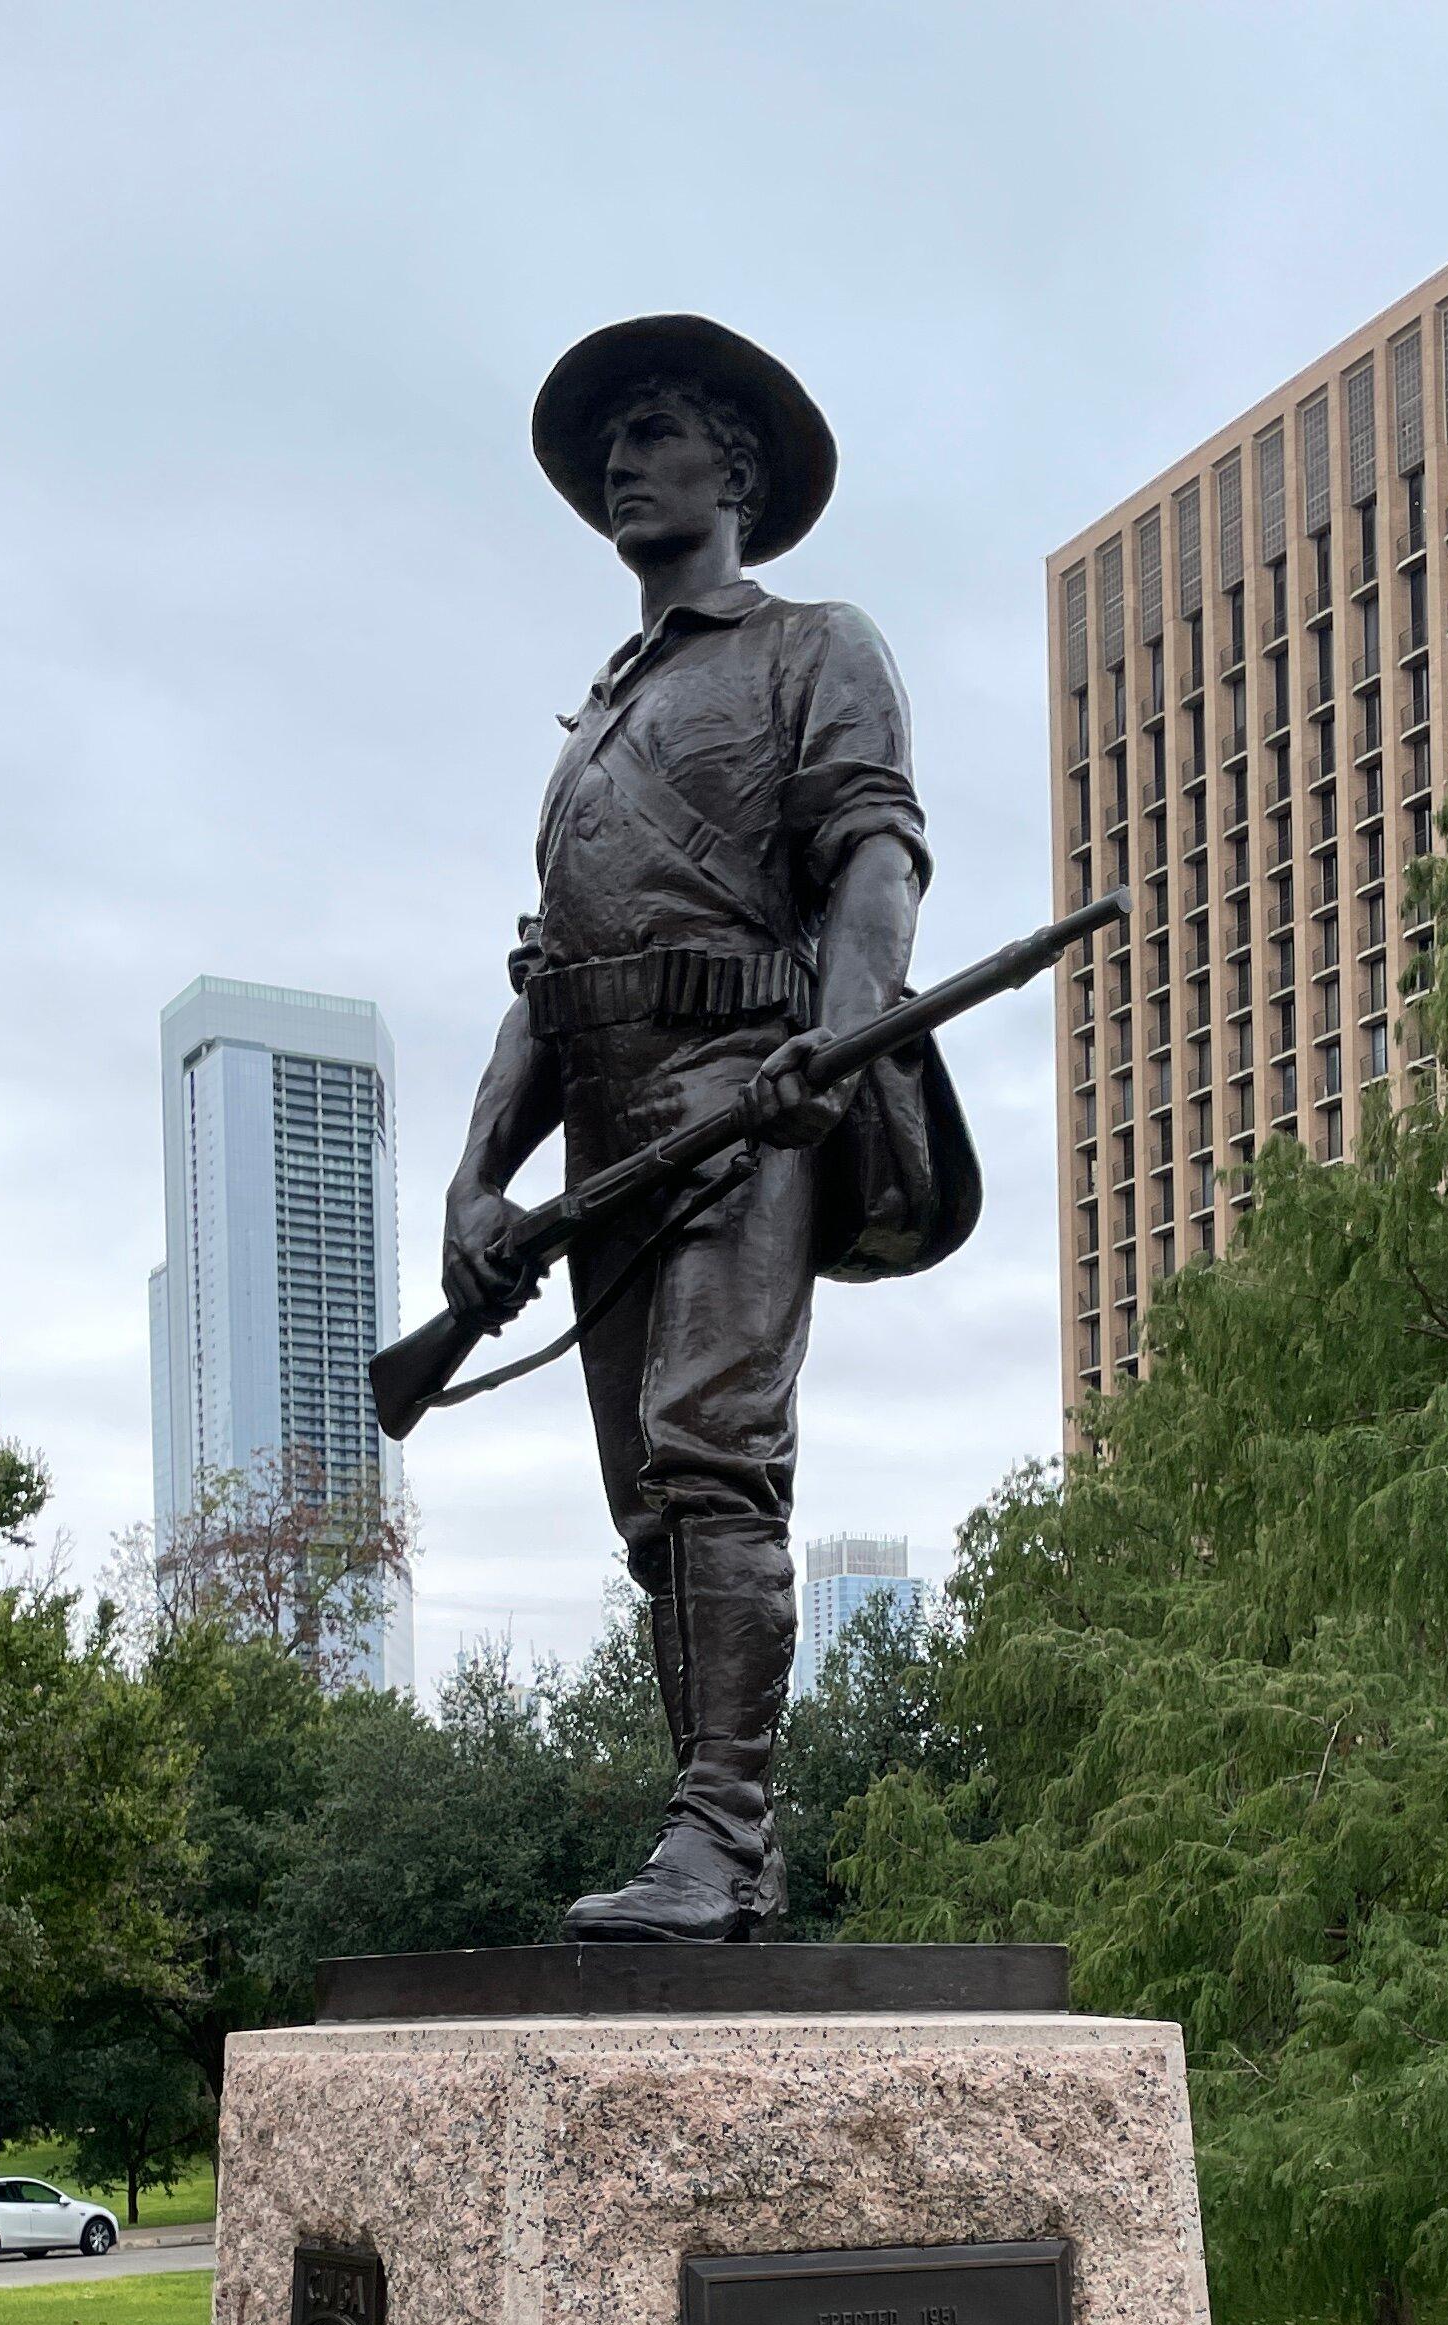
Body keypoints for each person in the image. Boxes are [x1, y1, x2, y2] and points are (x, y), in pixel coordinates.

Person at [442, 315, 976, 1940]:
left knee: (712, 1454)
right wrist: (480, 1173)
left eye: (661, 428)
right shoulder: (595, 724)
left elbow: (874, 859)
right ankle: (730, 1862)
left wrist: (839, 1033)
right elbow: (549, 981)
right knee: (651, 1510)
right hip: (608, 1138)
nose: (625, 458)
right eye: (615, 439)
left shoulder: (816, 645)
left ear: (734, 472)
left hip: (751, 1100)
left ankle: (720, 1828)